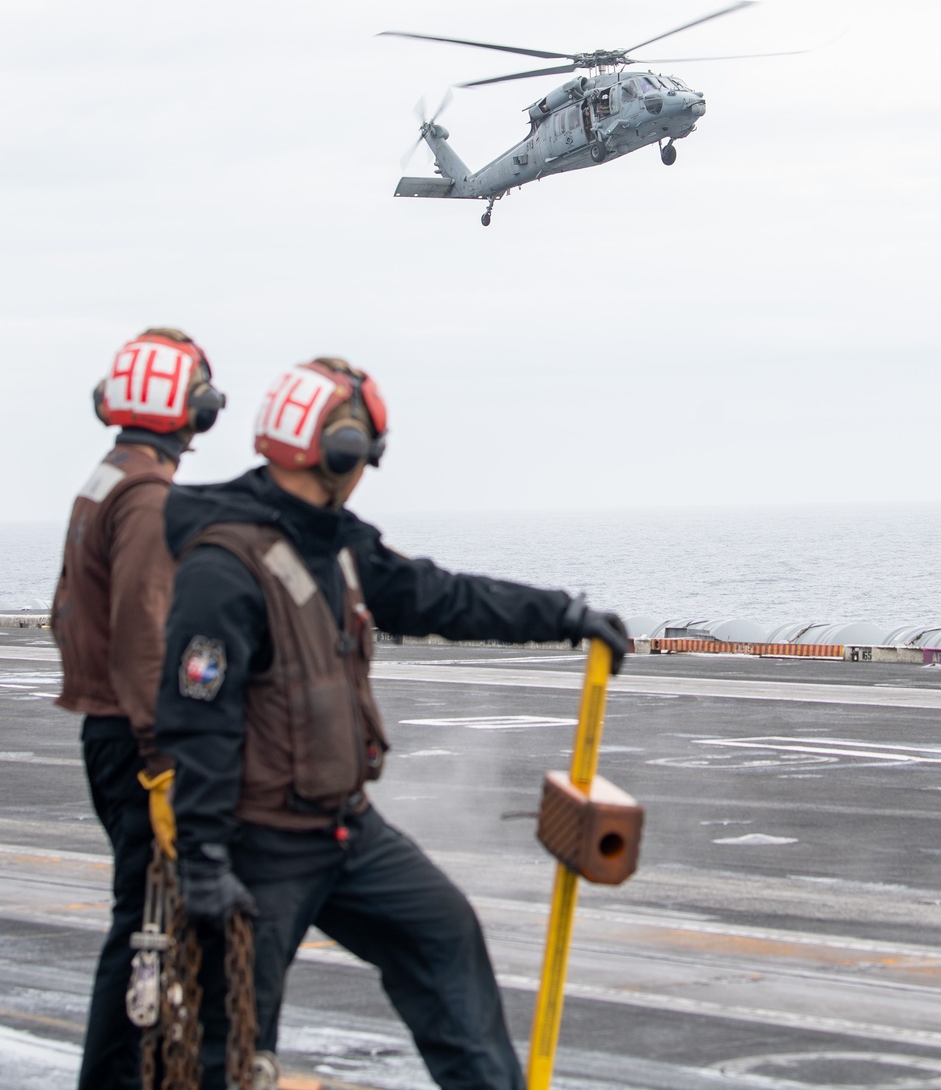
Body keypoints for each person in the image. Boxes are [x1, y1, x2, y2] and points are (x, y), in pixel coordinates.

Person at [154, 356, 629, 1090]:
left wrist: (562, 613)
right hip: (259, 846)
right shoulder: (225, 565)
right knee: (232, 1041)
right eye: (365, 454)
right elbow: (197, 723)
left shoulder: (334, 543)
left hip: (346, 831)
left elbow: (439, 596)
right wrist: (205, 861)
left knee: (444, 936)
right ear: (342, 450)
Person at [50, 327, 226, 1090]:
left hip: (107, 729)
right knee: (145, 935)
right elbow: (143, 640)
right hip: (137, 742)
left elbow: (68, 615)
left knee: (141, 928)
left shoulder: (106, 478)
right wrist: (165, 758)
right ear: (191, 412)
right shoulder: (149, 499)